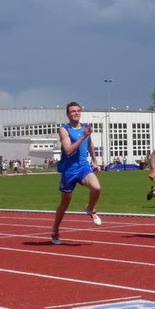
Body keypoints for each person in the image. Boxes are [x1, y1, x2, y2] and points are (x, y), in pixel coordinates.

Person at [51, 102, 102, 245]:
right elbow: (68, 151)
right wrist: (82, 137)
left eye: (78, 110)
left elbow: (90, 144)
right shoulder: (64, 129)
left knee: (96, 187)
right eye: (73, 111)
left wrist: (94, 161)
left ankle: (90, 208)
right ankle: (55, 229)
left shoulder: (86, 127)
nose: (76, 113)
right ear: (68, 114)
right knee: (64, 203)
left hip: (83, 167)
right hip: (68, 171)